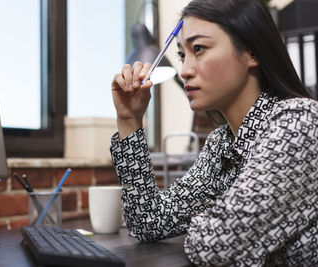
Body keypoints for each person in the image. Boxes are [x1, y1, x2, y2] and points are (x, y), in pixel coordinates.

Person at [109, 0, 318, 266]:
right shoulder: (221, 143)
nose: (185, 70)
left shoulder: (299, 122)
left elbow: (213, 247)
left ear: (252, 53)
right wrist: (129, 120)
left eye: (199, 49)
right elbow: (148, 222)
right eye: (183, 55)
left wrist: (210, 216)